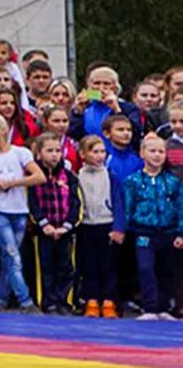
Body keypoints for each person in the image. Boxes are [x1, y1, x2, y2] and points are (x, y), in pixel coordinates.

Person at [0, 111, 47, 313]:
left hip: (19, 210)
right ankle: (26, 300)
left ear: (3, 129)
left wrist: (12, 183)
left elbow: (39, 177)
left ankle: (1, 299)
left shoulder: (21, 153)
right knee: (13, 255)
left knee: (9, 257)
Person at [116, 132, 182, 320]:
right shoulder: (133, 181)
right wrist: (123, 228)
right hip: (143, 232)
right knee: (146, 269)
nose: (157, 155)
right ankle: (150, 307)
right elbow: (126, 206)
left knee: (166, 270)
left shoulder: (173, 181)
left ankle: (163, 307)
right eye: (152, 151)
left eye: (161, 151)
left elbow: (180, 207)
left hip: (168, 232)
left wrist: (180, 232)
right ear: (142, 153)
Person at [28, 132, 80, 314]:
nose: (54, 155)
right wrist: (44, 224)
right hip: (44, 231)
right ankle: (47, 301)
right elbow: (32, 203)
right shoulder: (34, 177)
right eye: (49, 150)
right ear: (39, 153)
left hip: (65, 231)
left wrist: (67, 226)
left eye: (58, 150)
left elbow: (76, 202)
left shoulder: (69, 176)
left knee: (66, 268)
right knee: (45, 267)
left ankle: (64, 301)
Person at [72, 135, 118, 317]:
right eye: (95, 151)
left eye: (102, 152)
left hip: (107, 224)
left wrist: (118, 227)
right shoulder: (77, 177)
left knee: (108, 265)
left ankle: (108, 300)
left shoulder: (110, 176)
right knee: (89, 265)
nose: (100, 156)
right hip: (86, 225)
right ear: (83, 154)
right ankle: (91, 299)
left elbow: (118, 202)